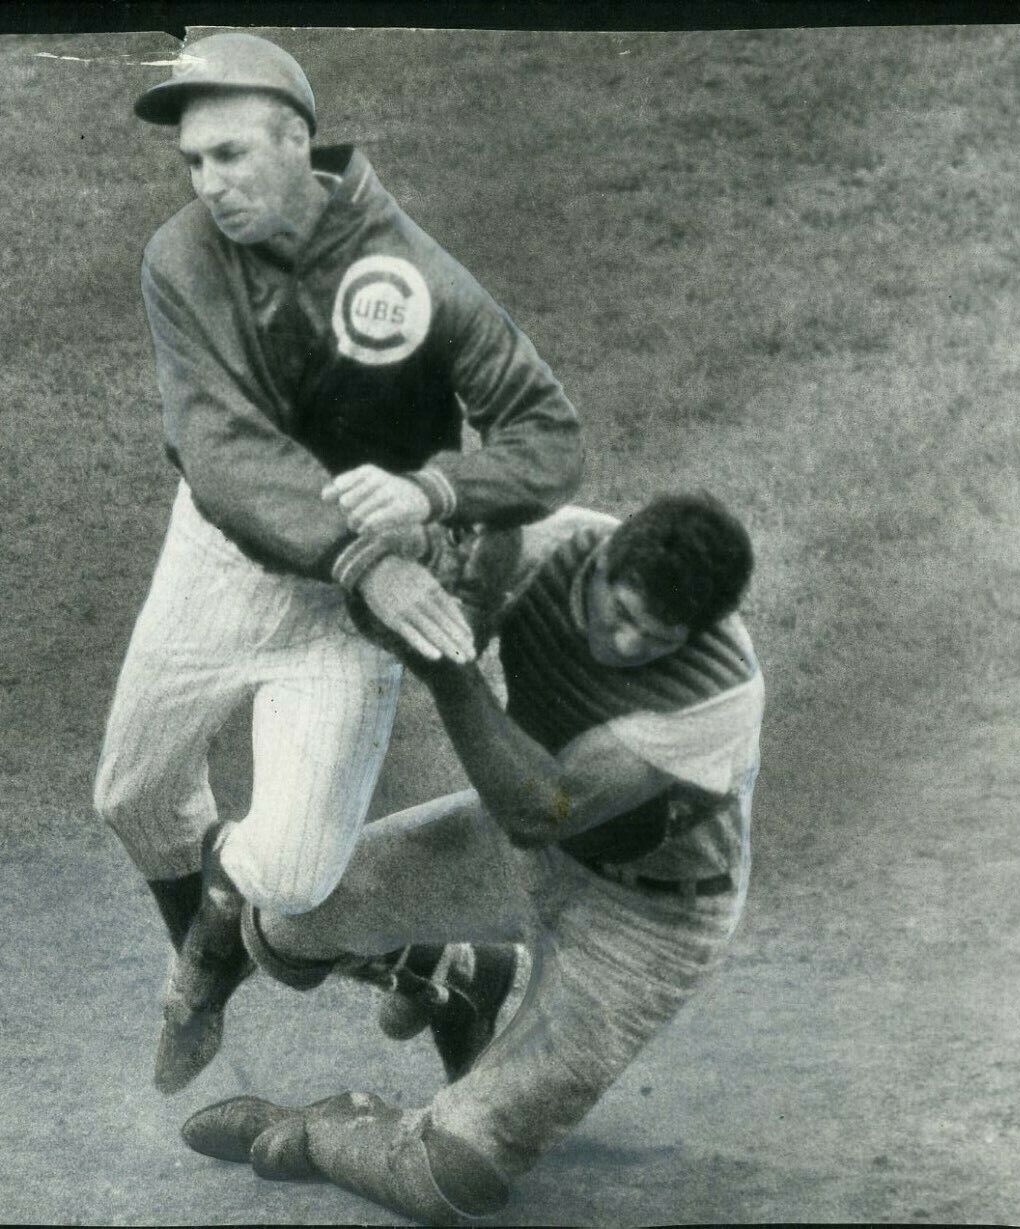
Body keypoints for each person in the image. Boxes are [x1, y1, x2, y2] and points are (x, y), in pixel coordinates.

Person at [93, 31, 583, 1097]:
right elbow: (220, 450)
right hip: (221, 566)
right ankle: (439, 970)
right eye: (192, 162)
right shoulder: (179, 257)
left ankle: (209, 968)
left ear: (297, 138)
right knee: (131, 795)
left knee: (297, 877)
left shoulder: (408, 269)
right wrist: (365, 554)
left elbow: (548, 434)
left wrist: (436, 492)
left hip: (346, 617)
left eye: (229, 155)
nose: (206, 184)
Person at [180, 493, 765, 1224]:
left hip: (647, 925)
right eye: (611, 607)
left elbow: (539, 809)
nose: (615, 639)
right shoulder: (549, 544)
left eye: (650, 636)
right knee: (282, 920)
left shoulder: (717, 699)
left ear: (697, 632)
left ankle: (320, 1128)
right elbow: (382, 572)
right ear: (604, 556)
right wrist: (408, 585)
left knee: (450, 1180)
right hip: (521, 852)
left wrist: (449, 663)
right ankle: (456, 975)